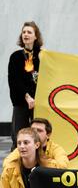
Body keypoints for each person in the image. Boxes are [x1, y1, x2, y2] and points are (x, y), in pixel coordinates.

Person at [8, 21, 43, 150]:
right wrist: (27, 97)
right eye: (24, 32)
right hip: (21, 102)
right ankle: (15, 167)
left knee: (39, 136)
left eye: (29, 32)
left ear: (36, 37)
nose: (26, 34)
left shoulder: (42, 56)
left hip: (39, 102)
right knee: (19, 136)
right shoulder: (16, 57)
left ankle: (38, 167)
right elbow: (14, 81)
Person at [3, 118, 69, 169]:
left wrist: (38, 161)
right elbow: (7, 163)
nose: (35, 133)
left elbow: (63, 166)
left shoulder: (56, 148)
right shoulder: (24, 147)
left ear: (48, 134)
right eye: (32, 130)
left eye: (39, 130)